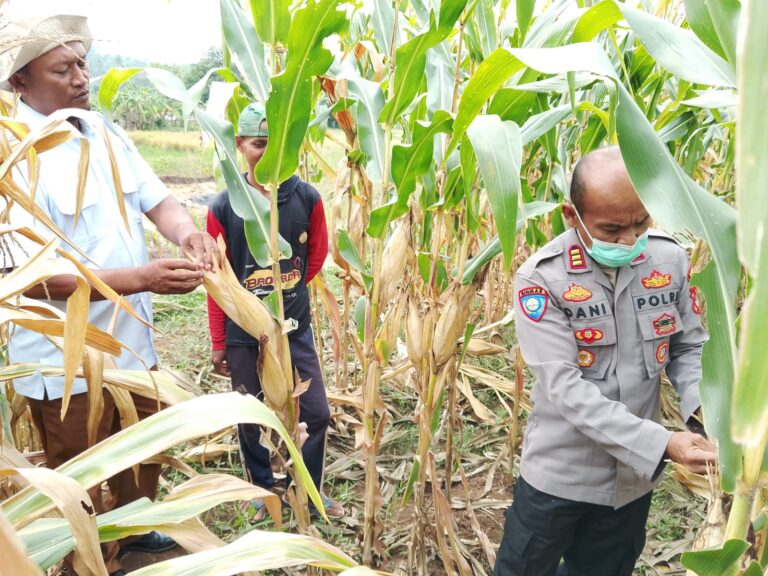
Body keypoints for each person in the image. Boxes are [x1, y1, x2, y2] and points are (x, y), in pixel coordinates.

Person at [0, 9, 217, 576]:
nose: (80, 78)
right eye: (62, 69)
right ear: (19, 81)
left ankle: (141, 538)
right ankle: (88, 561)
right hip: (65, 361)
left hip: (132, 348)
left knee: (141, 452)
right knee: (81, 476)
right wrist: (144, 278)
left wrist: (189, 232)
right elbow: (41, 280)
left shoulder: (105, 132)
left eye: (82, 64)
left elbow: (159, 201)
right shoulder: (12, 160)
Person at [494, 147, 717, 576]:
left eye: (641, 223)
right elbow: (566, 390)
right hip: (559, 478)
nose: (630, 242)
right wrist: (663, 444)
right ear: (572, 216)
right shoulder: (541, 279)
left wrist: (704, 410)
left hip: (631, 485)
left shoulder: (669, 259)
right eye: (612, 230)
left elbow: (688, 347)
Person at [206, 102, 344, 519]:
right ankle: (262, 490)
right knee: (250, 415)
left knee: (316, 413)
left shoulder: (306, 198)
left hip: (292, 325)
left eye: (277, 145)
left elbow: (315, 256)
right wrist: (219, 342)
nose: (267, 154)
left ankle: (310, 488)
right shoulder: (223, 206)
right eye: (257, 144)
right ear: (239, 145)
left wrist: (288, 288)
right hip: (243, 333)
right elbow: (216, 280)